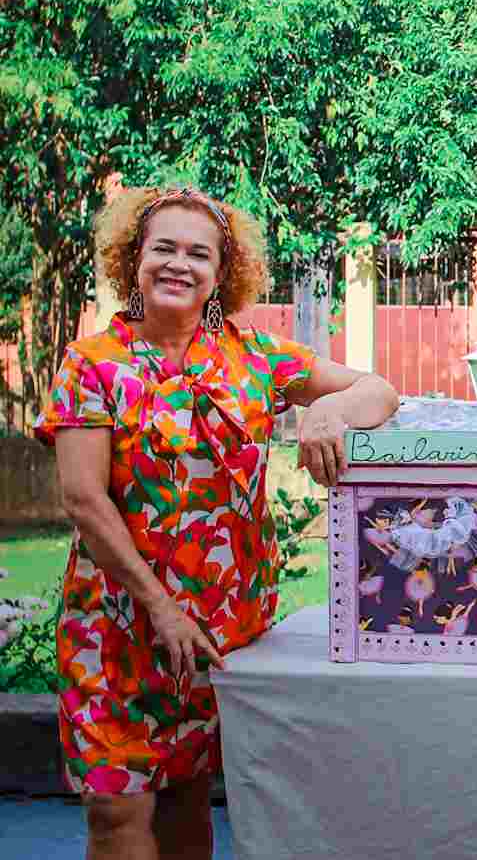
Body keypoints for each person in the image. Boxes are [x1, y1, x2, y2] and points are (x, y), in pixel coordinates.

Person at [36, 185, 400, 859]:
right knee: (116, 810)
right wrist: (161, 608)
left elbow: (378, 389)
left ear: (222, 273)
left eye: (198, 254)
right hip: (117, 628)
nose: (179, 264)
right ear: (133, 259)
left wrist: (327, 411)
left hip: (221, 631)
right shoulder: (93, 364)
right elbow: (84, 499)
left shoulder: (255, 357)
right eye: (163, 248)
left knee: (186, 801)